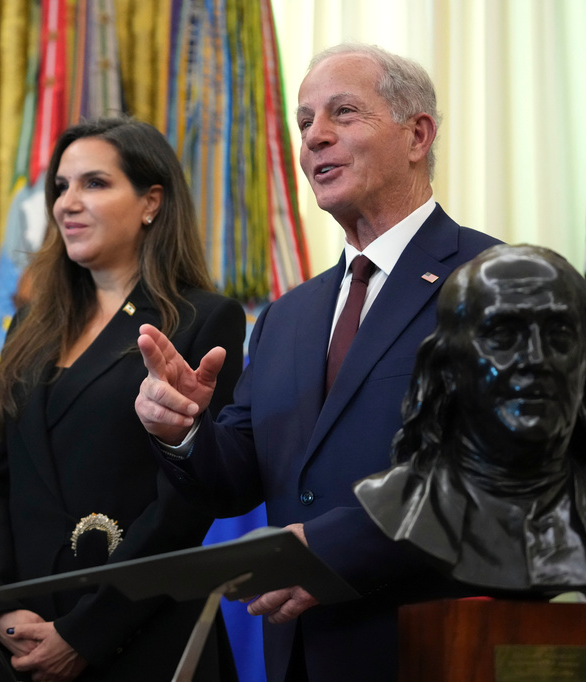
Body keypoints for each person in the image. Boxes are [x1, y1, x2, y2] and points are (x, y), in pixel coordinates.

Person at [134, 44, 503, 681]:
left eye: (343, 113)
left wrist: (329, 550)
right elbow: (239, 479)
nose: (314, 138)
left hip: (435, 648)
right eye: (304, 122)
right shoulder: (286, 317)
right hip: (301, 658)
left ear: (417, 135)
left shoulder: (496, 283)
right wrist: (184, 431)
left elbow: (495, 474)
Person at [0, 117, 246, 682]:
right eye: (61, 186)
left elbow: (184, 507)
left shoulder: (201, 319)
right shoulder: (29, 324)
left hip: (141, 637)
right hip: (23, 640)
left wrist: (85, 634)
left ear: (151, 203)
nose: (67, 203)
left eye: (93, 183)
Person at [355, 244, 586, 592]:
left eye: (560, 336)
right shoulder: (398, 504)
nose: (536, 359)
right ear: (448, 367)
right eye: (503, 336)